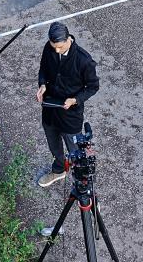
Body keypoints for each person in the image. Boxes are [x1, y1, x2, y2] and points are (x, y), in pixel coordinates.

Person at [36, 22, 99, 187]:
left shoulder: (84, 60)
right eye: (53, 46)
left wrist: (75, 100)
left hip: (70, 114)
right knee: (53, 145)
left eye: (60, 47)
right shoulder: (49, 48)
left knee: (76, 152)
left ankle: (85, 187)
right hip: (50, 109)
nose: (57, 50)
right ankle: (58, 170)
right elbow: (43, 69)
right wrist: (42, 84)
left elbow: (93, 87)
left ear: (68, 39)